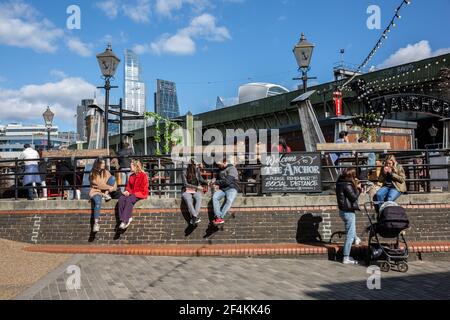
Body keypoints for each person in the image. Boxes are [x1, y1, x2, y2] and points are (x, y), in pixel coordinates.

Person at [336, 168, 362, 265]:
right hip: (348, 212)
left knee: (351, 229)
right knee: (349, 235)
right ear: (351, 176)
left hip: (342, 211)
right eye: (354, 175)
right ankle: (346, 258)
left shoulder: (340, 182)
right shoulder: (347, 184)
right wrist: (359, 188)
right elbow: (354, 197)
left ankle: (357, 239)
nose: (355, 177)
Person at [118, 160, 149, 230]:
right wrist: (126, 191)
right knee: (121, 199)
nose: (130, 167)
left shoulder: (143, 175)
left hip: (140, 193)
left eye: (131, 166)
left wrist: (130, 193)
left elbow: (143, 189)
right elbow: (128, 187)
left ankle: (124, 221)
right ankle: (126, 218)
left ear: (135, 166)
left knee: (129, 200)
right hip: (132, 193)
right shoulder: (131, 176)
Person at [89, 159, 117, 233]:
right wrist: (109, 187)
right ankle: (96, 223)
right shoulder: (92, 173)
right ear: (97, 164)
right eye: (102, 163)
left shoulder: (106, 172)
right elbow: (98, 184)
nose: (104, 164)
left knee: (113, 178)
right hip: (96, 191)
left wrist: (112, 188)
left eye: (104, 163)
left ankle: (105, 194)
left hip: (105, 191)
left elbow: (114, 183)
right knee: (98, 202)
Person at [212, 158, 240, 225]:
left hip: (232, 188)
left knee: (229, 200)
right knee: (215, 197)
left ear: (224, 162)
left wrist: (216, 182)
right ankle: (218, 217)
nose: (218, 166)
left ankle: (220, 217)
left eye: (219, 164)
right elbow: (218, 179)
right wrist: (214, 181)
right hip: (222, 189)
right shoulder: (220, 170)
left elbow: (227, 182)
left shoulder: (232, 169)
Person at [182, 160, 208, 225]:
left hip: (195, 190)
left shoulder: (197, 171)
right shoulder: (184, 172)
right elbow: (185, 184)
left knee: (199, 198)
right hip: (186, 190)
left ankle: (194, 217)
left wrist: (208, 182)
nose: (197, 166)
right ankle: (195, 217)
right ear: (191, 165)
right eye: (196, 165)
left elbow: (201, 179)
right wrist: (197, 187)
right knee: (188, 200)